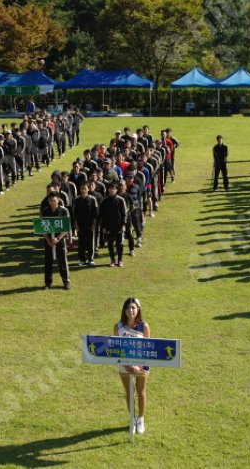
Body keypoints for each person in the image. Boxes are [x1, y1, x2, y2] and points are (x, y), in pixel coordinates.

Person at [114, 298, 150, 435]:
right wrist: (127, 365)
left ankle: (140, 419)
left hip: (142, 366)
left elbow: (149, 348)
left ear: (138, 310)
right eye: (129, 308)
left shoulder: (144, 326)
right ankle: (132, 419)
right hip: (124, 365)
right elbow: (116, 349)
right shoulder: (118, 327)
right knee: (129, 393)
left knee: (141, 392)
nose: (131, 311)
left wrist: (138, 366)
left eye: (134, 308)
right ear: (124, 310)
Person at [40, 192, 71, 290]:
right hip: (48, 240)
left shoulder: (64, 211)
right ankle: (48, 283)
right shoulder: (44, 211)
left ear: (58, 200)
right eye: (50, 200)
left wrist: (58, 238)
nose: (52, 202)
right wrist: (48, 240)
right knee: (48, 261)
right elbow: (41, 227)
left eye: (54, 200)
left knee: (62, 261)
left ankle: (66, 281)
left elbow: (66, 227)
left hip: (60, 240)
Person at [100, 182, 128, 267]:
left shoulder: (120, 200)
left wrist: (123, 225)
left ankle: (120, 260)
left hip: (119, 225)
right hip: (109, 226)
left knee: (119, 244)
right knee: (110, 244)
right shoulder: (104, 201)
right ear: (108, 190)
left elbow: (124, 214)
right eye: (110, 189)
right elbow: (102, 215)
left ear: (116, 190)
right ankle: (112, 260)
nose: (111, 190)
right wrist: (104, 227)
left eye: (113, 189)